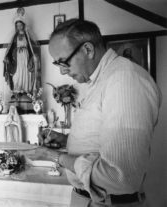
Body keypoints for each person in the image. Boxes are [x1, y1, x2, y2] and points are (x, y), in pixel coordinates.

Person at [19, 19, 161, 207]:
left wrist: (54, 157)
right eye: (57, 64)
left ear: (88, 49)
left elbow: (120, 177)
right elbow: (102, 137)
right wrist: (65, 139)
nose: (62, 71)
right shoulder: (102, 79)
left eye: (64, 62)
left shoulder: (125, 79)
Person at [3, 7, 41, 95]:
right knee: (17, 73)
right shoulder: (15, 36)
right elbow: (10, 47)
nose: (19, 27)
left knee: (25, 70)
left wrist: (34, 56)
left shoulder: (27, 35)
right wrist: (6, 56)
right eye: (17, 25)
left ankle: (25, 88)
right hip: (17, 56)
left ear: (23, 25)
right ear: (16, 26)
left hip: (25, 55)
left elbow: (31, 47)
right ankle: (17, 88)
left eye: (20, 25)